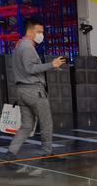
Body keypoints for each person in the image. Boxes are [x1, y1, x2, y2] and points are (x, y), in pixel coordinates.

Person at [6, 18, 66, 160]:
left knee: (27, 125)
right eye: (39, 31)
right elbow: (30, 68)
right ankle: (47, 153)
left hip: (21, 90)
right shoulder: (28, 47)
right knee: (46, 122)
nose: (41, 35)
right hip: (34, 91)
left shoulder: (19, 45)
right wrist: (52, 64)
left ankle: (11, 153)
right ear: (30, 31)